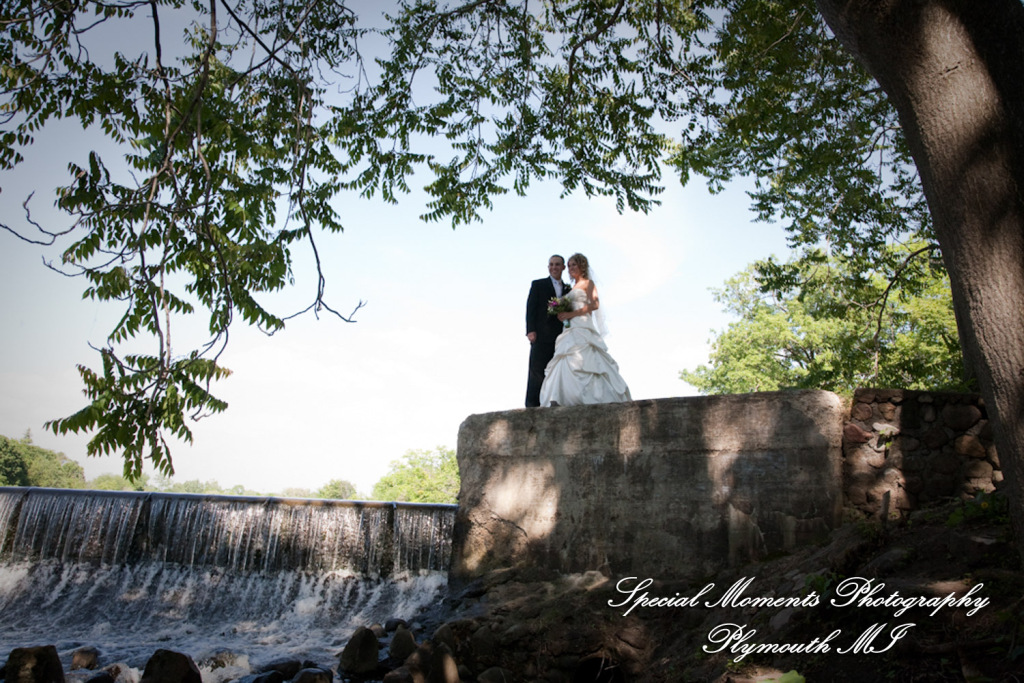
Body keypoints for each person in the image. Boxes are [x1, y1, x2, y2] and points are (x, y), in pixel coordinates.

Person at [539, 253, 631, 407]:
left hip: (582, 326)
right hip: (569, 327)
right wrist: (562, 313)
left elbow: (594, 305)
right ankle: (561, 397)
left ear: (582, 266)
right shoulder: (571, 288)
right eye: (569, 266)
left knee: (589, 360)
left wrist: (571, 313)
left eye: (574, 264)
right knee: (566, 358)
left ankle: (594, 398)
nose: (571, 268)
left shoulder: (588, 283)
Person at [525, 254, 568, 407]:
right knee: (537, 370)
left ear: (563, 267)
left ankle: (552, 400)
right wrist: (530, 330)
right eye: (551, 264)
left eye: (557, 264)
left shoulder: (568, 288)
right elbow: (531, 308)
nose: (554, 267)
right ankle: (532, 405)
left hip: (561, 336)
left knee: (556, 369)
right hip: (541, 334)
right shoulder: (538, 284)